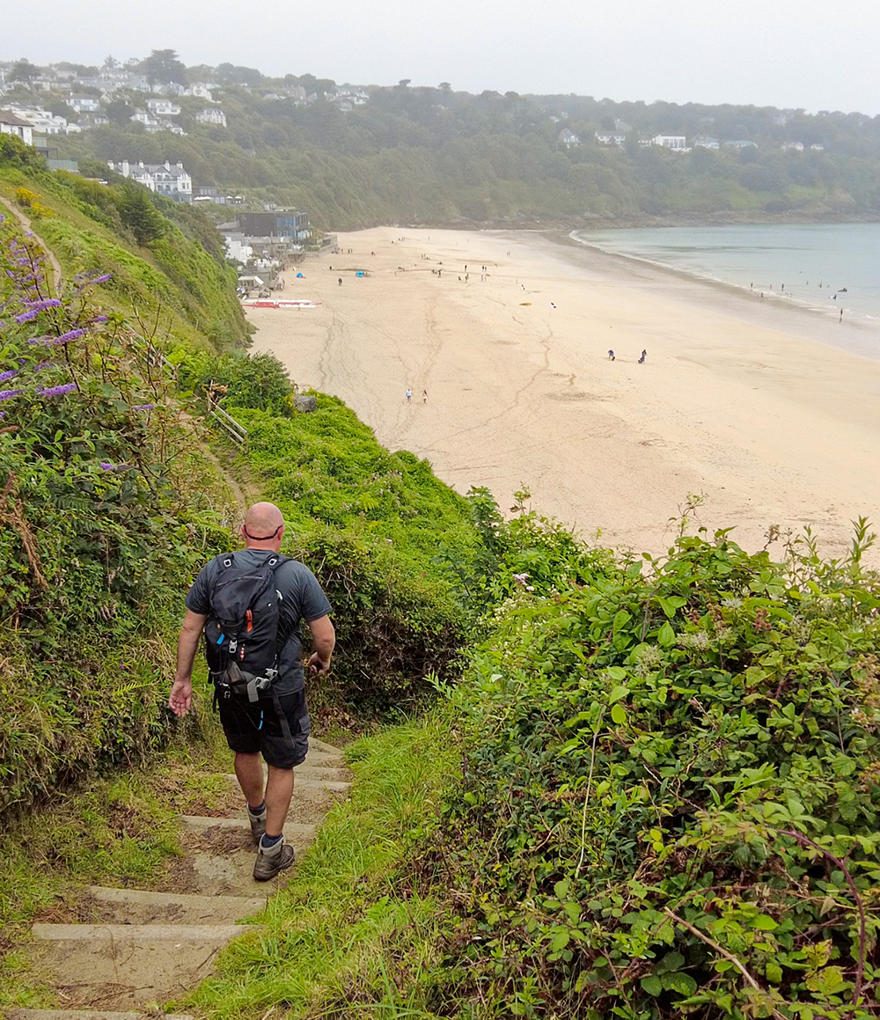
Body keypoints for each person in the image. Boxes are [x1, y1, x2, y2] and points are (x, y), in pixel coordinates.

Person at [169, 502, 335, 881]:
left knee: (245, 749)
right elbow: (323, 635)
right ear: (281, 534)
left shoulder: (216, 569)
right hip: (281, 686)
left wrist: (183, 679)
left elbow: (190, 628)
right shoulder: (297, 574)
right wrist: (321, 659)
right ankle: (271, 850)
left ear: (243, 533)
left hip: (230, 684)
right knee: (282, 762)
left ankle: (257, 819)